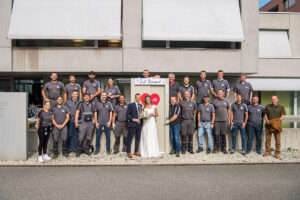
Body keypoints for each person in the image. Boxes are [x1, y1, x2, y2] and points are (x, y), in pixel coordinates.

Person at [75, 93, 95, 157]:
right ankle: (79, 149)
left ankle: (86, 148)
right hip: (82, 123)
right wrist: (76, 122)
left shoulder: (93, 104)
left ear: (89, 97)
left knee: (88, 137)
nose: (87, 97)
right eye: (86, 96)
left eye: (88, 96)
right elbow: (77, 112)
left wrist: (94, 119)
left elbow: (95, 112)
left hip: (90, 123)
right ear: (84, 97)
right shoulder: (80, 104)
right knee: (81, 137)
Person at [212, 89, 231, 154]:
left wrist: (229, 120)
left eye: (221, 92)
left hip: (225, 121)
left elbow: (229, 110)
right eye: (218, 92)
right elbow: (212, 112)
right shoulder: (214, 101)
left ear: (223, 93)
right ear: (217, 93)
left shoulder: (226, 101)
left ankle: (224, 149)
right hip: (216, 121)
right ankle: (216, 148)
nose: (219, 93)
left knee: (223, 135)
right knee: (216, 135)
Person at [126, 93, 143, 158]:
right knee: (130, 138)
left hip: (139, 125)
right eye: (137, 98)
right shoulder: (131, 105)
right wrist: (133, 119)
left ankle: (136, 151)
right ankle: (129, 152)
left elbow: (141, 114)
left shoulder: (141, 105)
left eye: (139, 98)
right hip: (132, 124)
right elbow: (127, 115)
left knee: (138, 138)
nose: (138, 99)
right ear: (135, 98)